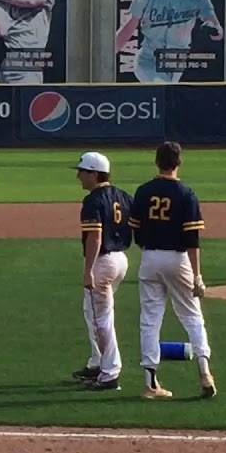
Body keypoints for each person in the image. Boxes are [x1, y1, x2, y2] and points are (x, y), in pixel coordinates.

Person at [127, 141, 216, 400]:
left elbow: (136, 232)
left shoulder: (143, 191)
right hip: (177, 260)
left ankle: (150, 383)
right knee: (192, 317)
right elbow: (192, 240)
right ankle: (205, 372)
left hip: (150, 257)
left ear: (157, 162)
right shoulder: (186, 193)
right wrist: (197, 276)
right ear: (178, 163)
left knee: (150, 320)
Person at [71, 152, 134, 391]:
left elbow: (95, 236)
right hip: (121, 260)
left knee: (101, 320)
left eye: (82, 172)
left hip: (103, 262)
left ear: (94, 173)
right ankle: (97, 362)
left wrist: (88, 270)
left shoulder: (93, 200)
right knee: (93, 312)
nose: (79, 176)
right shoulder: (123, 196)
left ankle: (110, 374)